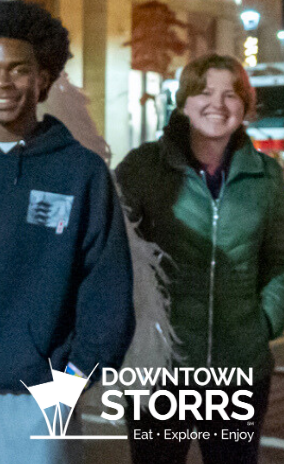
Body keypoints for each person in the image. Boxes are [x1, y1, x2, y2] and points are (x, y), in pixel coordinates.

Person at [0, 0, 135, 464]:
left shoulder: (81, 172)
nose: (0, 82)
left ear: (44, 79)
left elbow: (106, 287)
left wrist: (72, 381)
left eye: (17, 69)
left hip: (38, 393)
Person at [115, 54, 284, 463]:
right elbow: (112, 252)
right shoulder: (143, 168)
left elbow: (281, 261)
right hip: (161, 370)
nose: (218, 105)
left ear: (245, 106)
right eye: (204, 92)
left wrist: (262, 323)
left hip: (238, 370)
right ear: (183, 101)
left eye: (231, 94)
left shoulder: (267, 177)